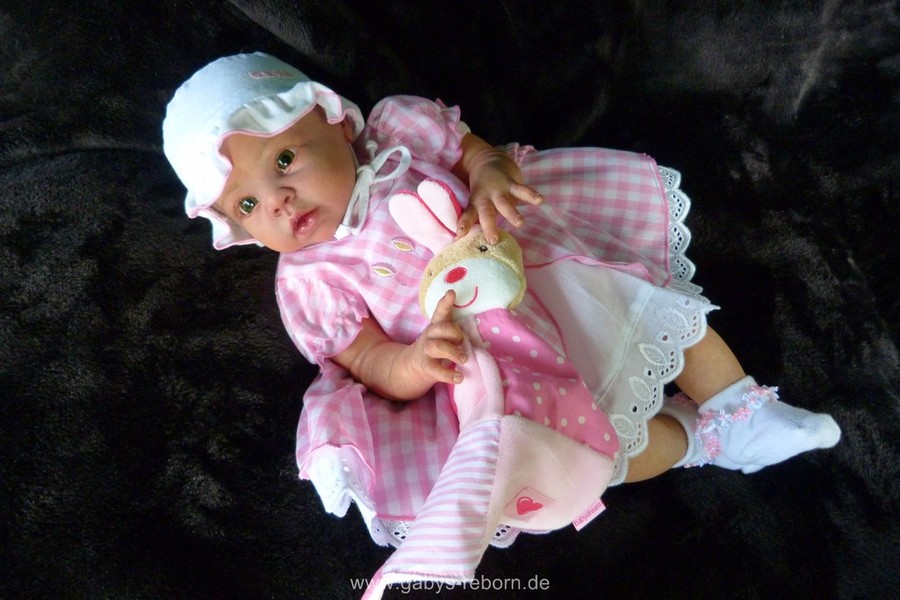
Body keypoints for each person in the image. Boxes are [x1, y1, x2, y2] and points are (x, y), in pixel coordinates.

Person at [163, 52, 842, 547]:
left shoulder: (398, 130)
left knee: (657, 312)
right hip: (483, 362)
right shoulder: (307, 282)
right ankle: (700, 440)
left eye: (284, 161)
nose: (279, 201)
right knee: (586, 459)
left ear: (334, 122)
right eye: (247, 204)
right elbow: (366, 360)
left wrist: (489, 172)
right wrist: (414, 363)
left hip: (539, 274)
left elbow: (473, 153)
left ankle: (741, 404)